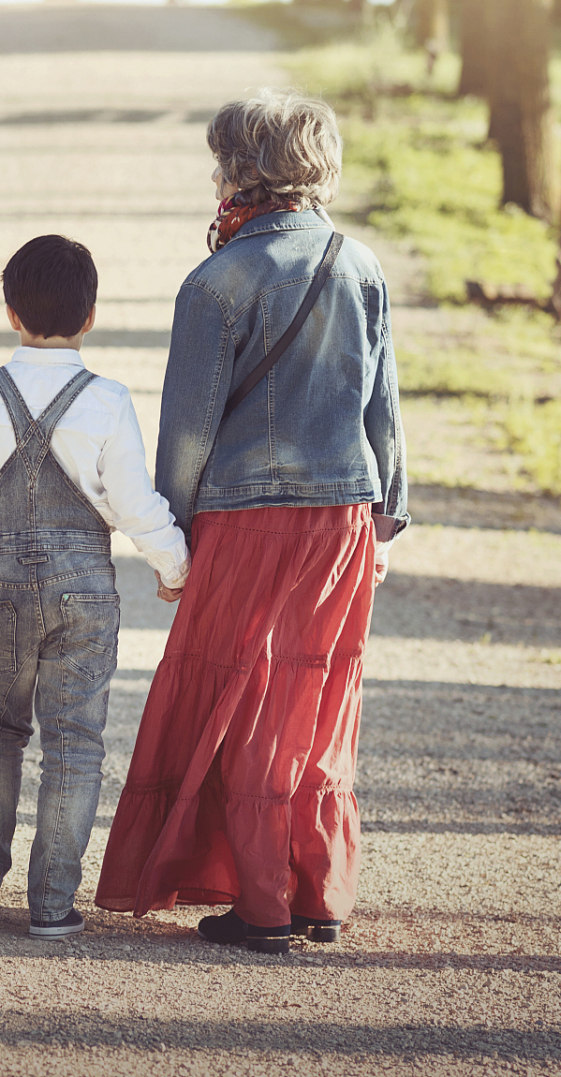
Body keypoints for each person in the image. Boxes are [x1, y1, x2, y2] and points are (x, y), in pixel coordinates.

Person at [94, 89, 408, 955]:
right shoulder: (361, 265)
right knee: (317, 699)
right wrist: (386, 520)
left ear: (240, 170)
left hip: (246, 521)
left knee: (243, 696)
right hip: (343, 516)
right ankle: (320, 893)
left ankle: (261, 904)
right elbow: (386, 410)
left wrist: (172, 539)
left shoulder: (216, 281)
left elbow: (187, 430)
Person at [0, 235, 188, 940]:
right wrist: (174, 567)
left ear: (11, 313)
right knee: (74, 740)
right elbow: (134, 502)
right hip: (82, 588)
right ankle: (50, 903)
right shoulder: (106, 399)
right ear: (92, 316)